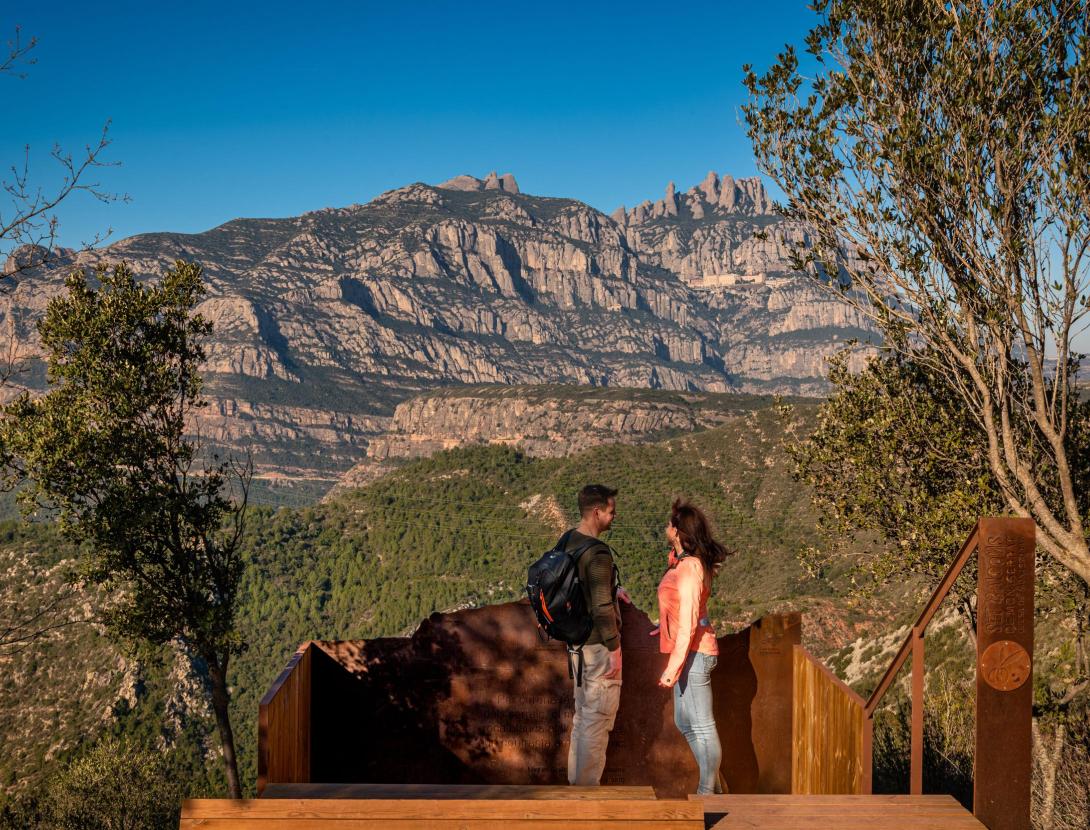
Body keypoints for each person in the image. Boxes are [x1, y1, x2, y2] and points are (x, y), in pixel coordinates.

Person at [654, 498, 730, 795]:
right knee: (684, 721)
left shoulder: (689, 569)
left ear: (678, 531)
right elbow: (684, 612)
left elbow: (688, 622)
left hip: (694, 655)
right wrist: (664, 626)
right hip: (688, 652)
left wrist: (671, 671)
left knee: (701, 724)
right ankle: (713, 786)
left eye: (670, 523)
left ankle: (706, 793)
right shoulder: (685, 563)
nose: (665, 526)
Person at [565, 483, 631, 786]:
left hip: (575, 645)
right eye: (611, 511)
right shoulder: (598, 553)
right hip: (597, 650)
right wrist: (615, 648)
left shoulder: (567, 541)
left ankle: (575, 790)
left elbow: (583, 589)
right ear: (596, 512)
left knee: (581, 721)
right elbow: (602, 607)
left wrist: (614, 590)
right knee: (596, 723)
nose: (614, 517)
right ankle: (585, 800)